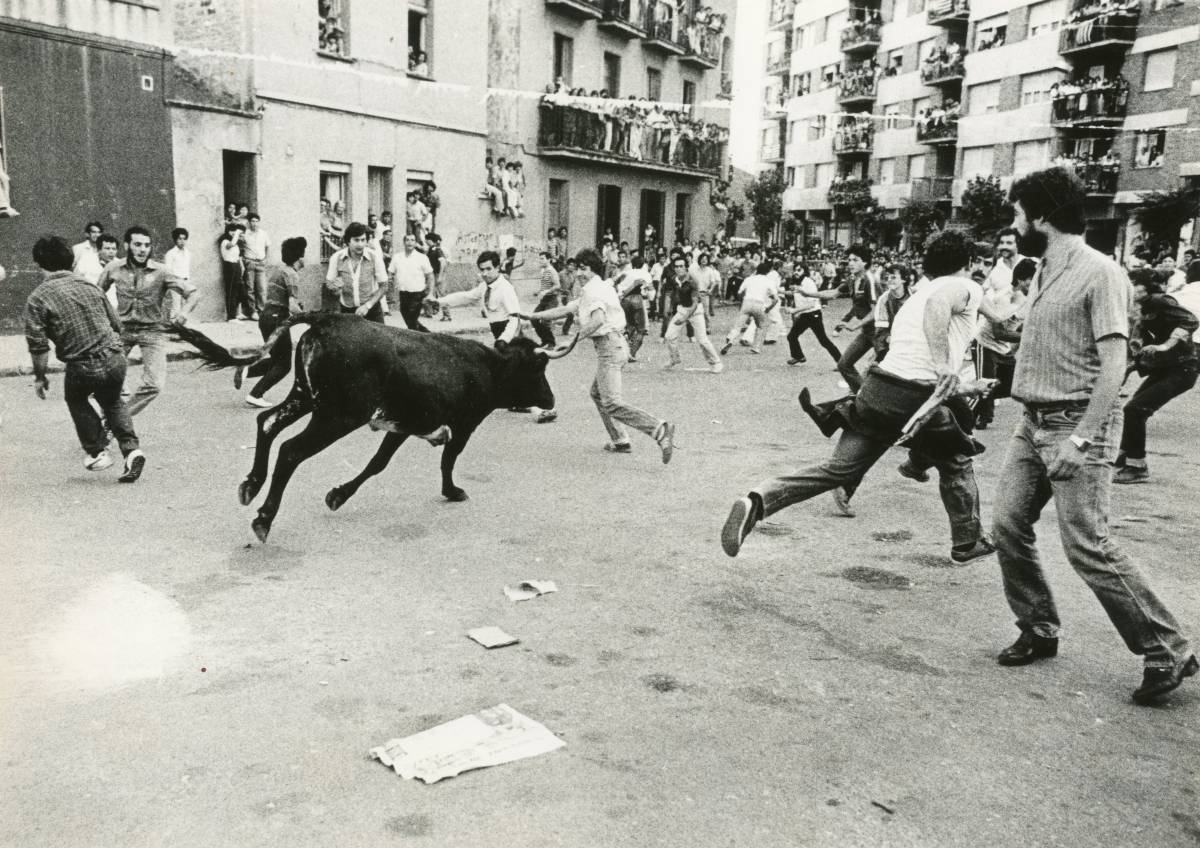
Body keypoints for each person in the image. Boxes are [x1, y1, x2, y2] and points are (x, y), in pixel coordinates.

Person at [992, 166, 1195, 705]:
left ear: (1041, 215)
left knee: (1087, 544)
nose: (1013, 223)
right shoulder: (1041, 270)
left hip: (1078, 422)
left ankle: (1167, 648)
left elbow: (1113, 365)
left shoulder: (1100, 271)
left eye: (1017, 212)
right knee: (1008, 525)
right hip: (1031, 422)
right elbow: (1046, 338)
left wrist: (1081, 440)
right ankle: (1039, 627)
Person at [721, 231, 1001, 564]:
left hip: (879, 388)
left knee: (837, 470)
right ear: (967, 263)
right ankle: (967, 542)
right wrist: (943, 366)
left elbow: (919, 351)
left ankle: (758, 500)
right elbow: (940, 312)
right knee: (957, 462)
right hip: (914, 395)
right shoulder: (961, 286)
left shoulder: (918, 294)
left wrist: (961, 384)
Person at [520, 249, 676, 460]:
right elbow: (566, 309)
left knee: (611, 401)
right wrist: (532, 315)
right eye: (579, 269)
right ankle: (620, 440)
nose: (580, 274)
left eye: (584, 269)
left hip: (610, 348)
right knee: (598, 394)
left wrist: (573, 339)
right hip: (615, 346)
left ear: (593, 269)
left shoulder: (594, 291)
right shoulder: (596, 288)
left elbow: (598, 320)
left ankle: (659, 429)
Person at [24, 235, 145, 482]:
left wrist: (40, 377)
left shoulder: (38, 298)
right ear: (69, 260)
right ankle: (132, 450)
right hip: (114, 355)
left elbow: (38, 347)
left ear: (40, 264)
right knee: (112, 401)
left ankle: (97, 452)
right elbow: (116, 325)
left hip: (82, 364)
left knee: (76, 399)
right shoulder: (90, 286)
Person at [99, 226, 201, 416]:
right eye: (137, 244)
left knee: (154, 384)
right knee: (106, 377)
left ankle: (120, 418)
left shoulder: (161, 271)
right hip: (121, 330)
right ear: (127, 245)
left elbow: (193, 293)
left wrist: (184, 313)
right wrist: (103, 319)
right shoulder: (113, 268)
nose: (142, 249)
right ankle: (110, 415)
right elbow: (96, 294)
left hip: (152, 331)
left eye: (146, 245)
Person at [1113, 269, 1199, 484]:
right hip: (1167, 369)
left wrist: (1165, 345)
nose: (1129, 288)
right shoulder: (1141, 307)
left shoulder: (1160, 301)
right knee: (1132, 409)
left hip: (1183, 369)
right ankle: (1124, 457)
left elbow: (1190, 321)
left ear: (1145, 287)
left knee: (1135, 410)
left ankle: (1136, 466)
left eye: (1133, 284)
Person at [244, 237, 308, 408]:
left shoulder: (279, 270)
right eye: (304, 254)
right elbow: (293, 307)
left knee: (276, 359)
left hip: (265, 317)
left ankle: (246, 369)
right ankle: (256, 394)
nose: (305, 258)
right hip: (277, 319)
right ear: (299, 258)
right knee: (285, 364)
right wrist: (308, 319)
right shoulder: (292, 275)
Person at [433, 250, 521, 343]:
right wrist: (439, 302)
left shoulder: (505, 287)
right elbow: (465, 296)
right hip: (497, 331)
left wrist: (504, 339)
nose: (484, 274)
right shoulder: (484, 286)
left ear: (497, 268)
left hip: (510, 334)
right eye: (482, 270)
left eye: (488, 269)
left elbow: (515, 318)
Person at [664, 255, 723, 372]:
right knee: (669, 336)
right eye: (676, 267)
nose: (678, 269)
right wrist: (669, 308)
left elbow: (695, 304)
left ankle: (716, 362)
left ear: (686, 267)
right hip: (682, 309)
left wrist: (684, 317)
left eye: (681, 266)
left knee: (702, 340)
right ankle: (675, 358)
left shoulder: (692, 281)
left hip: (696, 311)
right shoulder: (674, 279)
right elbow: (671, 294)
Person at [834, 244, 881, 392]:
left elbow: (876, 311)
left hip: (881, 333)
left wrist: (856, 325)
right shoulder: (853, 279)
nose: (851, 263)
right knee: (844, 364)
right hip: (867, 332)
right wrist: (808, 294)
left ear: (865, 262)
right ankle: (861, 395)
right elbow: (833, 293)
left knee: (882, 370)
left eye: (855, 259)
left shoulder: (870, 280)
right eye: (849, 260)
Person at [325, 222, 389, 323]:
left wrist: (367, 306)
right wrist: (335, 289)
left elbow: (384, 286)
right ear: (348, 241)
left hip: (372, 311)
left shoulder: (374, 257)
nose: (360, 244)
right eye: (356, 240)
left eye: (363, 240)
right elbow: (329, 283)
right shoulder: (336, 258)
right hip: (347, 312)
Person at [785, 263, 842, 366]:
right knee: (792, 336)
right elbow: (792, 293)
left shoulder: (809, 282)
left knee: (823, 340)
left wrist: (795, 310)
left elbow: (811, 304)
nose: (796, 272)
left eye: (799, 270)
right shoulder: (797, 282)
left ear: (805, 271)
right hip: (805, 315)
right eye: (795, 270)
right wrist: (778, 291)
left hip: (813, 315)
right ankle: (798, 356)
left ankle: (841, 362)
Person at [720, 261, 778, 355]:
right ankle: (756, 347)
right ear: (767, 272)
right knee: (762, 326)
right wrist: (768, 308)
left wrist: (742, 300)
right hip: (759, 304)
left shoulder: (749, 279)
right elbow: (775, 299)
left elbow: (739, 293)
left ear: (757, 270)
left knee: (738, 325)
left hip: (747, 302)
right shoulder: (768, 281)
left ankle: (731, 339)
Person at [388, 233, 436, 331]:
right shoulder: (397, 257)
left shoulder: (422, 257)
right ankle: (427, 334)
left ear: (415, 243)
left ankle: (418, 340)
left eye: (412, 240)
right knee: (406, 316)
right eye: (407, 240)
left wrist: (430, 293)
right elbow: (390, 273)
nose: (410, 242)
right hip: (403, 293)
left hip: (417, 294)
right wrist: (389, 287)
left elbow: (430, 276)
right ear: (404, 242)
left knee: (412, 319)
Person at [617, 254, 652, 361]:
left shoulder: (626, 272)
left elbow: (616, 283)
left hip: (624, 300)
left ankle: (624, 350)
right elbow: (649, 289)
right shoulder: (645, 274)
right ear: (643, 264)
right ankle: (631, 353)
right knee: (641, 329)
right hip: (637, 299)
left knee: (629, 327)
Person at [219, 222, 253, 320]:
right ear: (227, 231)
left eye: (235, 231)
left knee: (239, 291)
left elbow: (237, 256)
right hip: (229, 267)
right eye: (232, 231)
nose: (233, 233)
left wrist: (241, 267)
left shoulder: (235, 242)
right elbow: (231, 245)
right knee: (231, 292)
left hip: (236, 266)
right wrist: (237, 233)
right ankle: (231, 317)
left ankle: (237, 313)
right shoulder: (225, 241)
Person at [242, 212, 270, 313]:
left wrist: (265, 258)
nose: (255, 223)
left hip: (261, 263)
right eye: (252, 221)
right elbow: (241, 247)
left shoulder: (263, 233)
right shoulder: (245, 233)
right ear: (249, 223)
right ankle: (252, 311)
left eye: (256, 221)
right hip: (250, 262)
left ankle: (262, 311)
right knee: (250, 288)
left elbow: (267, 246)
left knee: (262, 288)